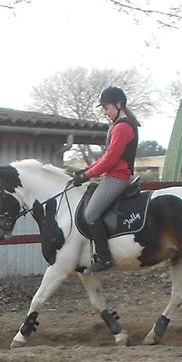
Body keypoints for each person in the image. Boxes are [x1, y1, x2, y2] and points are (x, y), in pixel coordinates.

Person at [71, 86, 139, 273]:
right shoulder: (119, 126)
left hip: (117, 177)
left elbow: (110, 160)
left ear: (119, 104)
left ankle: (105, 257)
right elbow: (105, 157)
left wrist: (86, 176)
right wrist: (86, 170)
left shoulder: (123, 127)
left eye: (106, 108)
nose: (105, 112)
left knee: (91, 214)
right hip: (112, 175)